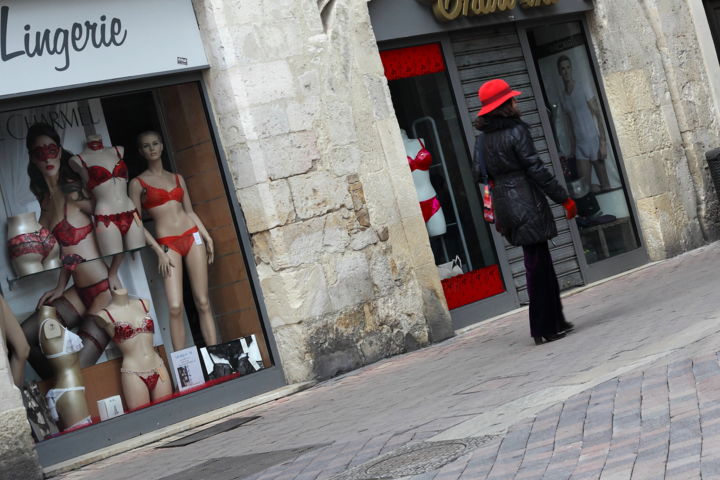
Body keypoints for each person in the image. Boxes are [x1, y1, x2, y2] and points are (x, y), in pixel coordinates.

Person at [473, 79, 576, 345]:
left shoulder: (481, 141)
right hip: (526, 201)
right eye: (513, 99)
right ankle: (543, 327)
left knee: (540, 260)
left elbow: (478, 173)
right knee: (537, 265)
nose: (517, 102)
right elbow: (536, 169)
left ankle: (555, 320)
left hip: (505, 206)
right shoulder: (517, 131)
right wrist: (563, 198)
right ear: (505, 106)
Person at [23, 123, 122, 378]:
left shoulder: (73, 191)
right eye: (39, 153)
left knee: (76, 371)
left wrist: (114, 270)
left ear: (59, 151)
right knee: (22, 340)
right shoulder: (44, 201)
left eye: (51, 149)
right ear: (32, 159)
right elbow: (69, 252)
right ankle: (58, 388)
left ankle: (64, 387)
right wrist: (59, 286)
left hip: (103, 290)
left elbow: (113, 216)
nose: (47, 157)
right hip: (76, 290)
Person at [128, 131, 218, 351]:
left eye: (156, 143)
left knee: (203, 301)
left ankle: (216, 355)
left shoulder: (177, 178)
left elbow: (189, 211)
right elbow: (135, 221)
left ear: (162, 146)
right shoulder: (137, 183)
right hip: (167, 243)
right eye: (146, 146)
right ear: (140, 151)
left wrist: (206, 236)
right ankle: (184, 366)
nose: (152, 148)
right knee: (175, 306)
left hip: (192, 235)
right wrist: (158, 251)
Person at [556, 55, 610, 194]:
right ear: (559, 72)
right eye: (563, 69)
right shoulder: (563, 96)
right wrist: (572, 148)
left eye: (568, 67)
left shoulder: (583, 87)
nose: (566, 71)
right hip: (580, 146)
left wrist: (603, 143)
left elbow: (598, 114)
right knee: (584, 190)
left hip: (593, 141)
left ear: (571, 68)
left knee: (606, 186)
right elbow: (568, 124)